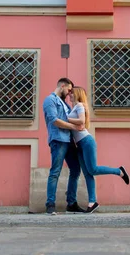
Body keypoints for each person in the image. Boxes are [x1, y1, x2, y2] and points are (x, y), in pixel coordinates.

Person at [66, 87, 130, 213]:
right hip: (79, 145)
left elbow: (81, 121)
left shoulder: (79, 105)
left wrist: (65, 119)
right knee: (88, 174)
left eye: (71, 93)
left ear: (77, 94)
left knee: (93, 169)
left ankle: (119, 171)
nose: (69, 95)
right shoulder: (74, 107)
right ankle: (92, 202)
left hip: (86, 141)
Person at [42, 78, 87, 215]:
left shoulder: (65, 104)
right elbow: (55, 120)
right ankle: (50, 204)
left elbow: (70, 117)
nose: (69, 93)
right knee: (55, 171)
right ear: (62, 86)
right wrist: (74, 126)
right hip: (58, 140)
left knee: (75, 169)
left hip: (69, 140)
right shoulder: (50, 100)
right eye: (68, 90)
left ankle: (71, 203)